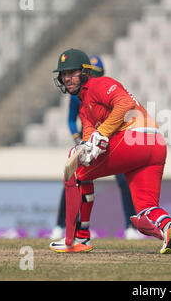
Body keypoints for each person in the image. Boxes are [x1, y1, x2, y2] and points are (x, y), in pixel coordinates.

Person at [49, 48, 171, 254]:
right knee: (144, 213)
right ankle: (169, 228)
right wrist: (86, 145)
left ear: (85, 72)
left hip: (136, 138)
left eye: (71, 72)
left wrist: (101, 134)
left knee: (77, 170)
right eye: (64, 74)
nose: (66, 78)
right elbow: (88, 135)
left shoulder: (99, 83)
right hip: (154, 146)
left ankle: (78, 238)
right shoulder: (84, 107)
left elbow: (125, 103)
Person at [50, 55, 142, 240]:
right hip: (88, 142)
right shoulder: (77, 95)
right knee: (74, 179)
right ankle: (63, 227)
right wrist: (79, 139)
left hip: (110, 141)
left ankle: (131, 227)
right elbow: (71, 119)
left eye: (97, 73)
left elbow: (122, 111)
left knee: (124, 182)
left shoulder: (103, 90)